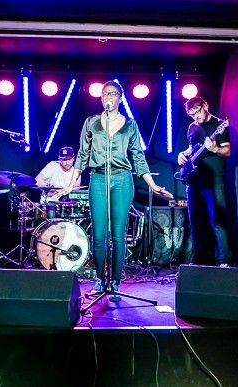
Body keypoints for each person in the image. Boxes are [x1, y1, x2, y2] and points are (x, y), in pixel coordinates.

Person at [59, 81, 173, 297]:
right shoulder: (91, 122)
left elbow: (138, 157)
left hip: (122, 179)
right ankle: (100, 278)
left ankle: (116, 282)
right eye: (104, 94)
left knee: (118, 234)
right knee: (99, 234)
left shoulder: (130, 125)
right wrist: (70, 183)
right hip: (98, 179)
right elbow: (82, 154)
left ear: (120, 98)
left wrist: (153, 185)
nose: (107, 97)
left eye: (112, 94)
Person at [177, 96, 234, 267]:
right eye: (192, 115)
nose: (196, 117)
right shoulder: (192, 127)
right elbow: (191, 148)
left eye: (197, 112)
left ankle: (224, 260)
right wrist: (183, 154)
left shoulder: (220, 125)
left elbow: (228, 151)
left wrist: (214, 148)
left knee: (217, 220)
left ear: (205, 105)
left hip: (214, 179)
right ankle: (198, 259)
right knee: (195, 221)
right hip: (194, 179)